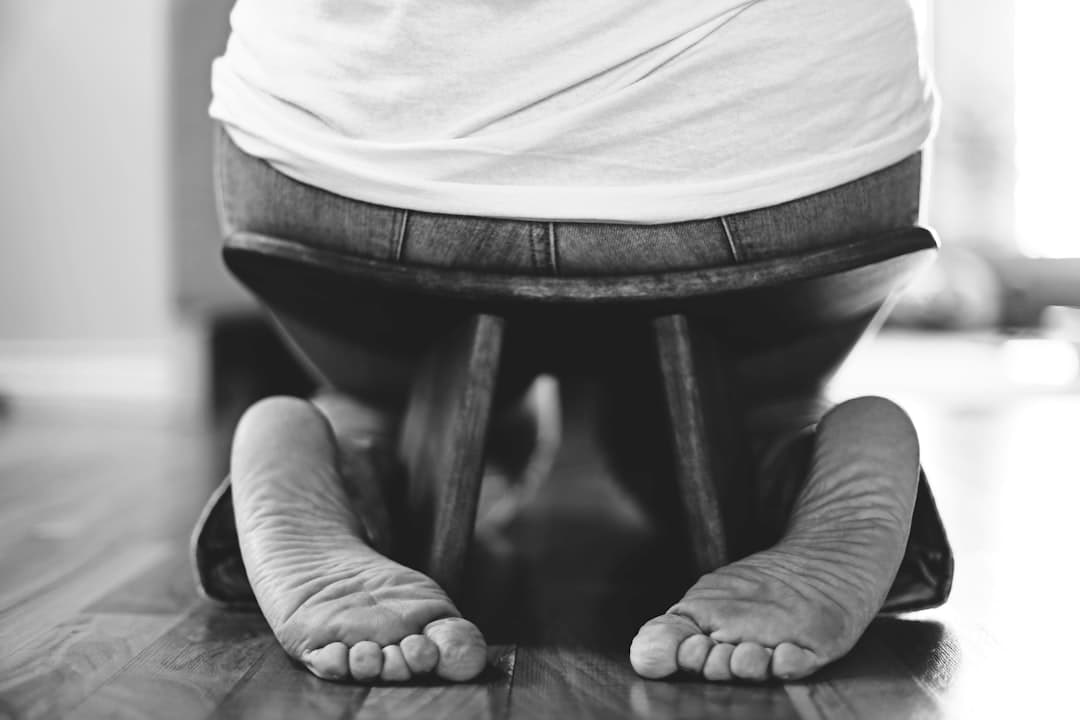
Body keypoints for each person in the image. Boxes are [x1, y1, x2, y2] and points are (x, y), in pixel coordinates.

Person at [200, 0, 939, 683]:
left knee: (389, 394)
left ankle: (343, 451)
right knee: (742, 406)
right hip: (775, 156)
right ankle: (796, 456)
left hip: (363, 156)